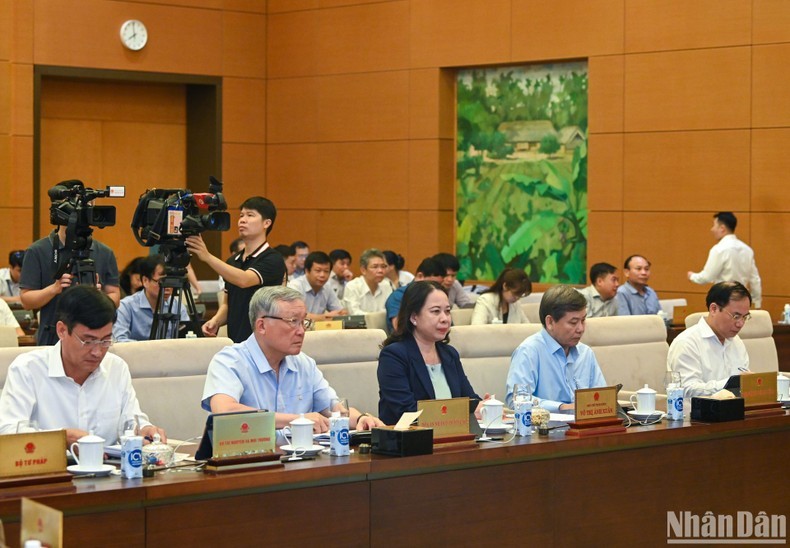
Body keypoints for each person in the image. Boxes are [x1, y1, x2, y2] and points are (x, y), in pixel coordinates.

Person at [201, 286, 384, 434]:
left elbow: (335, 409)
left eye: (303, 322)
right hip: (248, 465)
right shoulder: (230, 361)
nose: (301, 331)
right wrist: (299, 420)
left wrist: (361, 419)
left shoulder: (304, 363)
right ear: (262, 325)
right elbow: (224, 412)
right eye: (292, 321)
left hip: (303, 462)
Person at [0, 285, 165, 445]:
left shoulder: (116, 367)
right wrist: (61, 439)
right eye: (88, 341)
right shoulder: (27, 369)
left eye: (105, 340)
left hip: (108, 468)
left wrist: (144, 429)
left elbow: (132, 419)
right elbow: (7, 432)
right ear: (62, 331)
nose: (97, 352)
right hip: (49, 469)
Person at [377, 281, 483, 425]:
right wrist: (458, 414)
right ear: (414, 317)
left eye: (447, 311)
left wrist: (483, 407)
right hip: (410, 442)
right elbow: (406, 412)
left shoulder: (449, 354)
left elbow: (469, 400)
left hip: (452, 439)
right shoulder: (394, 356)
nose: (445, 319)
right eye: (435, 311)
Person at [186, 196, 286, 343]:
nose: (242, 220)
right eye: (241, 215)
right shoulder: (233, 261)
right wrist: (216, 321)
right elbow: (227, 304)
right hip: (236, 343)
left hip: (265, 342)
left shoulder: (273, 259)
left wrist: (207, 257)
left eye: (250, 215)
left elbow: (244, 280)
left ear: (266, 223)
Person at [506, 285, 606, 411]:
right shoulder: (529, 351)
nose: (581, 329)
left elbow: (601, 397)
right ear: (550, 322)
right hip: (545, 428)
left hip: (584, 428)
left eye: (583, 320)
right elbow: (516, 400)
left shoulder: (586, 353)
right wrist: (561, 407)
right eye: (573, 322)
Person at [20, 225, 120, 345]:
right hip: (52, 338)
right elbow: (26, 301)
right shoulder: (37, 250)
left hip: (94, 339)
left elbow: (115, 296)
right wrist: (54, 289)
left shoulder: (105, 252)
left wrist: (98, 296)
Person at [668, 282, 752, 400]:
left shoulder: (736, 341)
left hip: (734, 412)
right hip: (698, 415)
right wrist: (731, 383)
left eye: (745, 317)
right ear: (714, 309)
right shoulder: (687, 342)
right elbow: (686, 390)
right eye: (736, 316)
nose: (740, 323)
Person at [687, 212, 762, 308]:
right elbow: (755, 279)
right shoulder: (747, 250)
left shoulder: (719, 249)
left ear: (722, 228)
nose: (712, 229)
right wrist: (756, 303)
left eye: (714, 225)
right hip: (742, 302)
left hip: (723, 302)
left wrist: (692, 276)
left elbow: (706, 277)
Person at [113, 255, 190, 342]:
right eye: (162, 282)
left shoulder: (177, 306)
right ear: (145, 281)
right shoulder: (126, 306)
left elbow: (187, 338)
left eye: (171, 281)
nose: (168, 287)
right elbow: (119, 340)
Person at [385, 258, 446, 332]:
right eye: (433, 284)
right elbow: (400, 328)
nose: (436, 288)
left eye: (440, 284)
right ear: (420, 276)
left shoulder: (440, 296)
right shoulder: (398, 296)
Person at [287, 251, 347, 320]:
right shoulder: (295, 286)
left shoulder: (327, 286)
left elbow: (340, 311)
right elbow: (295, 314)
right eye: (318, 271)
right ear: (307, 271)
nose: (322, 275)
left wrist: (340, 314)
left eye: (326, 271)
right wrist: (323, 317)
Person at [341, 248, 392, 314]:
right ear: (363, 270)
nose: (380, 271)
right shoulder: (352, 286)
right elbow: (354, 313)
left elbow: (391, 311)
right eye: (375, 267)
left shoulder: (386, 285)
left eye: (383, 266)